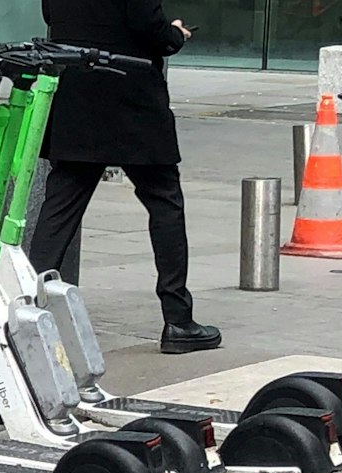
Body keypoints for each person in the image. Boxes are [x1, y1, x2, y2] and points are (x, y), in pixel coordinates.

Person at [28, 0, 220, 355]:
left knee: (60, 206)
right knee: (164, 201)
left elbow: (52, 16)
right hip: (131, 95)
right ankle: (177, 318)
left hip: (78, 93)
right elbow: (148, 24)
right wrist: (175, 35)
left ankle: (22, 310)